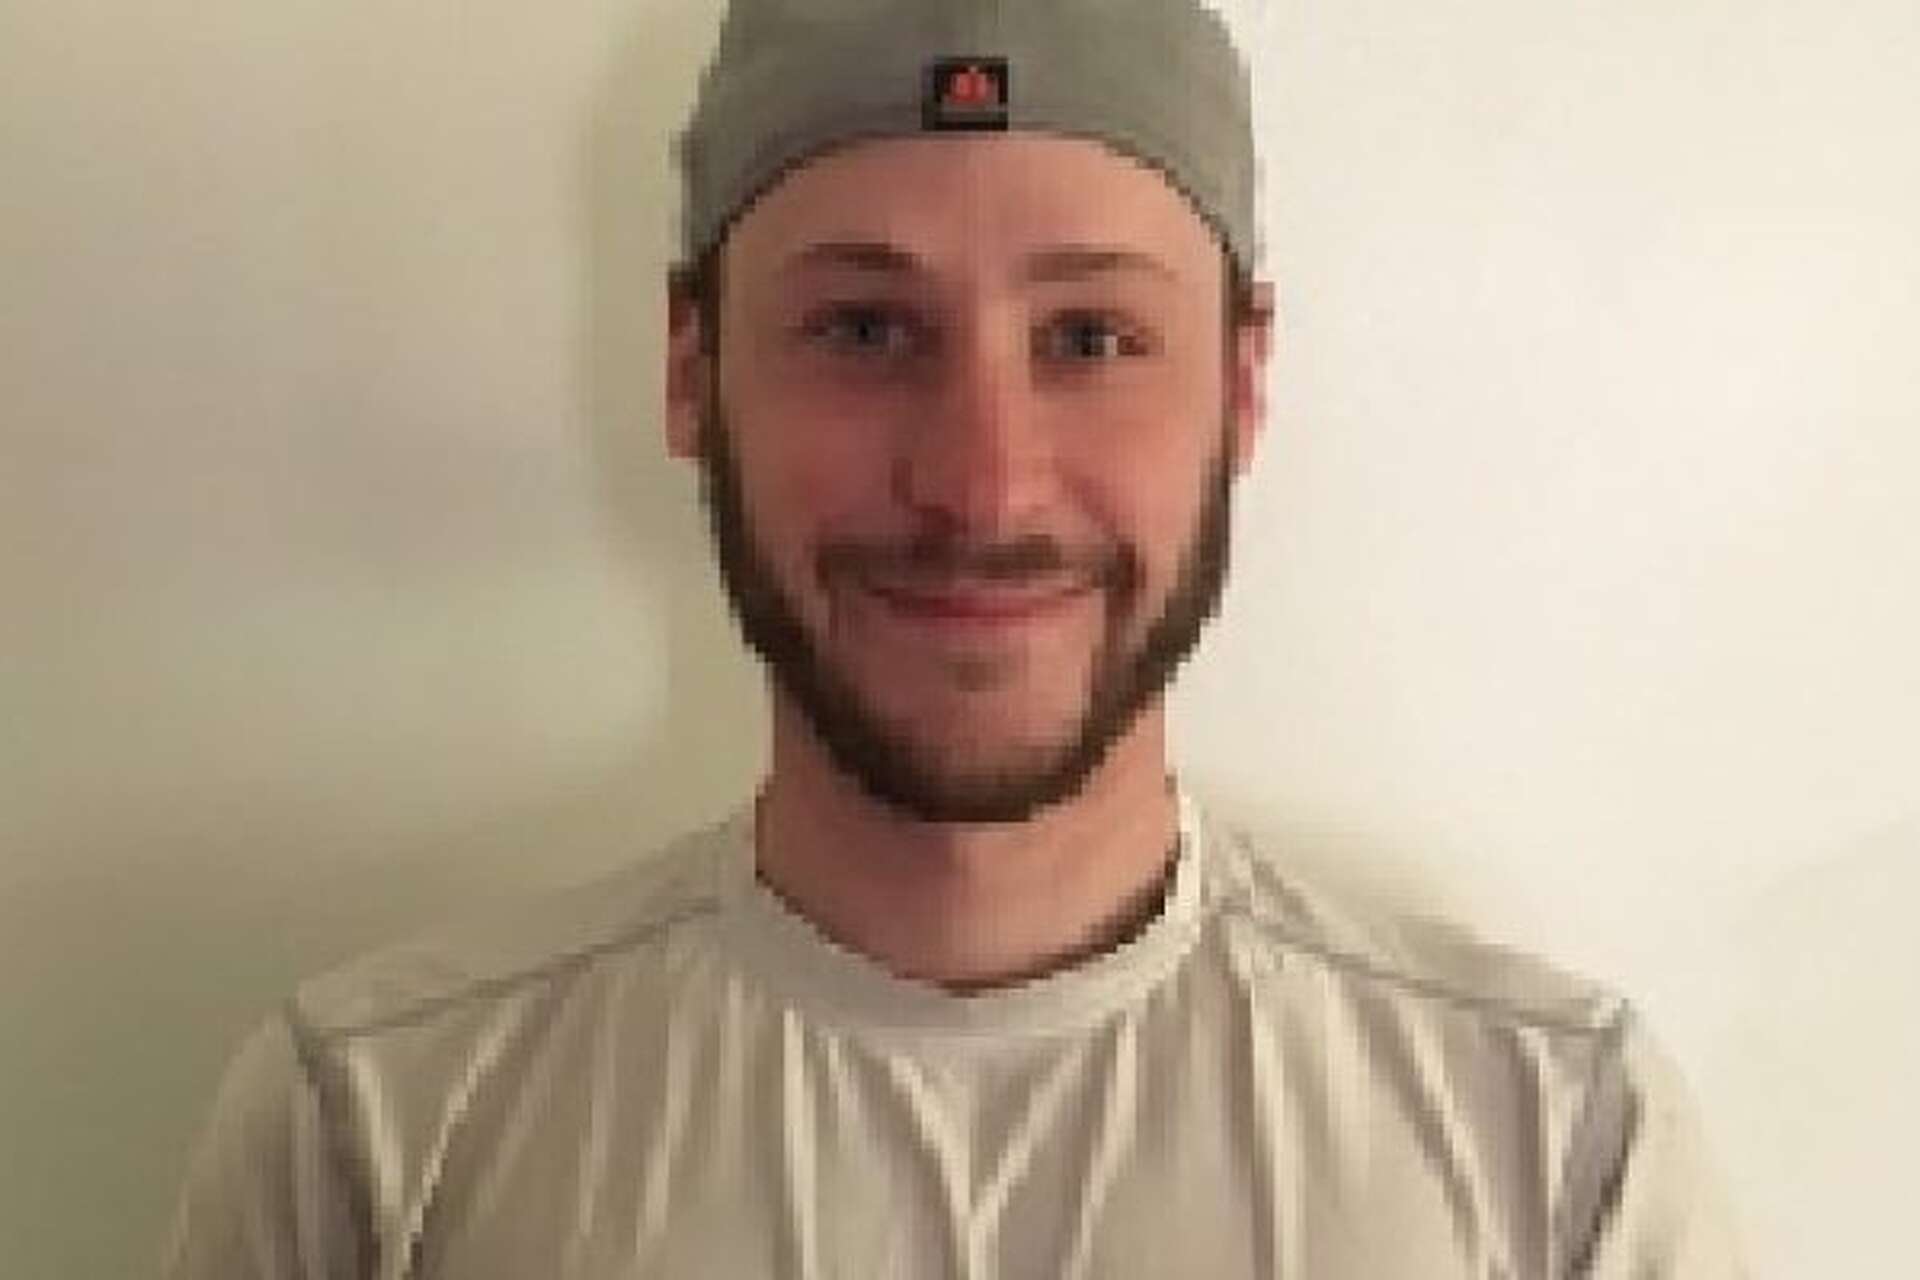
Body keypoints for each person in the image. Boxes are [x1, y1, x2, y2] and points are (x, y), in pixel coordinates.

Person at [161, 1, 1749, 1275]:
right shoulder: (373, 1134)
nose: (982, 485)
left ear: (1244, 381)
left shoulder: (1554, 1148)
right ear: (691, 369)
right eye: (864, 329)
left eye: (1091, 338)